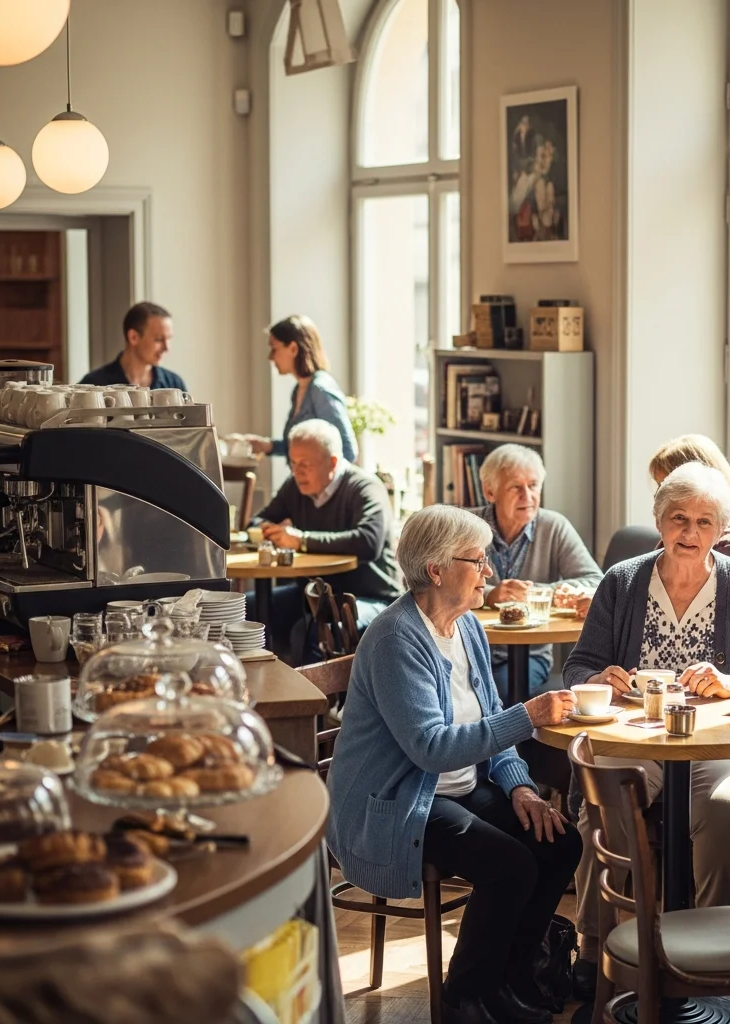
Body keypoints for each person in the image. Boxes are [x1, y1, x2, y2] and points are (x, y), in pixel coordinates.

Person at [327, 505, 583, 1024]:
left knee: (559, 841)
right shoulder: (398, 638)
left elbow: (491, 725)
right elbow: (431, 749)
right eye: (477, 560)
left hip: (457, 787)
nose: (489, 570)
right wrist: (528, 716)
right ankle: (465, 997)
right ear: (437, 570)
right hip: (396, 801)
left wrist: (521, 789)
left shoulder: (467, 628)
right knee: (509, 864)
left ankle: (512, 978)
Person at [563, 462, 730, 987]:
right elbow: (576, 667)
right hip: (636, 738)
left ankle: (706, 951)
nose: (689, 533)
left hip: (716, 745)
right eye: (678, 518)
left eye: (704, 522)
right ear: (658, 519)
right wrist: (601, 674)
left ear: (722, 530)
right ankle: (594, 948)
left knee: (727, 813)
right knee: (607, 805)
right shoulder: (623, 582)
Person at [249, 419, 401, 664]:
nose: (296, 472)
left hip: (370, 596)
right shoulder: (295, 486)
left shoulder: (365, 488)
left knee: (321, 629)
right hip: (312, 592)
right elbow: (259, 520)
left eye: (305, 465)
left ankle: (314, 702)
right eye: (293, 463)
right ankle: (263, 689)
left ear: (332, 462)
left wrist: (303, 541)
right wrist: (265, 529)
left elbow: (368, 542)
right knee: (247, 610)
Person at [472, 444, 602, 702]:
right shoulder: (467, 526)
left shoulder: (553, 527)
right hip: (470, 649)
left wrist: (538, 593)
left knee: (495, 696)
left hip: (531, 655)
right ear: (490, 491)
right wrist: (489, 595)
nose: (527, 496)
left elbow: (595, 581)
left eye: (533, 485)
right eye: (515, 487)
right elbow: (434, 580)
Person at [244, 315, 358, 464]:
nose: (270, 357)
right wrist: (267, 446)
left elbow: (348, 451)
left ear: (293, 348)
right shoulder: (298, 390)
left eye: (274, 348)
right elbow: (302, 447)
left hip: (319, 486)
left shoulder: (320, 390)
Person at [648, 433, 730, 569]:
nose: (658, 496)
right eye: (659, 486)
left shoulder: (726, 550)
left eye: (664, 485)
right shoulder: (676, 537)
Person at [80, 302, 187, 391]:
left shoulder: (174, 384)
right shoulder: (94, 385)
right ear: (133, 337)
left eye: (169, 339)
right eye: (158, 339)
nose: (167, 348)